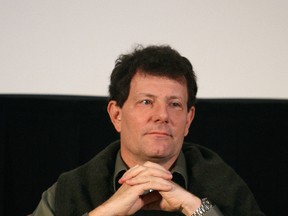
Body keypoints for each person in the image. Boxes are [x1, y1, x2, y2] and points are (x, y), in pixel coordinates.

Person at [32, 45, 264, 216]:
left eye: (174, 104)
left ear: (188, 119)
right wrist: (107, 212)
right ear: (116, 115)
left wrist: (196, 208)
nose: (162, 116)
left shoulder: (224, 185)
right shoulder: (72, 188)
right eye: (146, 102)